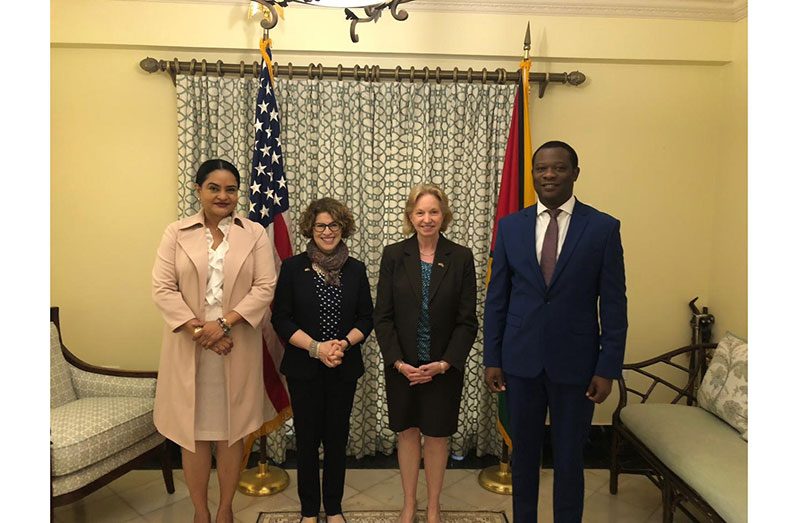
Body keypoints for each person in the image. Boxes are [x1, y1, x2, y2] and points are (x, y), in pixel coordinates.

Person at [483, 140, 628, 522]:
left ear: (575, 173)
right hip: (520, 362)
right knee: (524, 457)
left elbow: (614, 305)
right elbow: (497, 299)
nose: (548, 175)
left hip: (577, 366)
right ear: (532, 174)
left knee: (569, 460)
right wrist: (492, 358)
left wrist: (607, 367)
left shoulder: (602, 228)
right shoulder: (510, 227)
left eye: (558, 168)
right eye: (541, 169)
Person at [152, 159, 277, 523]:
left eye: (231, 189)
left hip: (236, 343)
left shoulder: (253, 233)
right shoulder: (175, 232)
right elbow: (162, 289)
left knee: (230, 432)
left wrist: (221, 325)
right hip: (188, 346)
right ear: (198, 190)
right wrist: (200, 331)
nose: (223, 196)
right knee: (193, 434)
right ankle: (200, 512)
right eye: (214, 188)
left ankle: (224, 510)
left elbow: (265, 287)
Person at [374, 183, 478, 523]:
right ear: (409, 216)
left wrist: (445, 363)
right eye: (420, 212)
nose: (427, 218)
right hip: (402, 366)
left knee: (436, 436)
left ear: (443, 215)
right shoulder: (393, 255)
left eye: (433, 211)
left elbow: (467, 321)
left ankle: (433, 506)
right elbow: (383, 316)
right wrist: (399, 363)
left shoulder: (460, 257)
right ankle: (409, 504)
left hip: (443, 368)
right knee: (407, 433)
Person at [271, 198, 374, 523]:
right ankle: (307, 510)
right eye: (320, 226)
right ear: (310, 229)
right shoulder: (292, 267)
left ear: (343, 228)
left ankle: (333, 508)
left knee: (335, 440)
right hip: (304, 368)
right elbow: (282, 320)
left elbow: (366, 318)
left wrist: (341, 345)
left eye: (333, 225)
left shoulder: (355, 269)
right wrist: (316, 348)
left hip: (343, 367)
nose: (327, 232)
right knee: (306, 441)